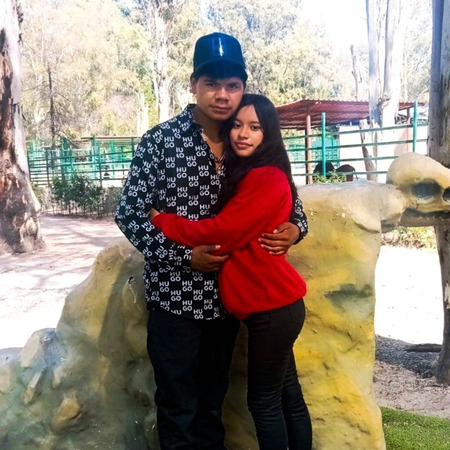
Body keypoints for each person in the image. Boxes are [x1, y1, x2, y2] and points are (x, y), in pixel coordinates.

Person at [115, 32, 308, 449]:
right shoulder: (160, 142)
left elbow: (291, 203)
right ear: (194, 85)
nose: (222, 95)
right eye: (212, 84)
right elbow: (129, 213)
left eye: (232, 85)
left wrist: (295, 229)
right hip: (175, 299)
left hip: (227, 305)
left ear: (242, 87)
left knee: (212, 407)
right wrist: (183, 256)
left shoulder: (249, 141)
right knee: (177, 407)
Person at [150, 94, 312, 450]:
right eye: (237, 125)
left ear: (268, 134)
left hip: (272, 309)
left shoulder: (265, 178)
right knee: (288, 395)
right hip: (275, 306)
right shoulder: (255, 172)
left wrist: (164, 222)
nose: (243, 133)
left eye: (255, 127)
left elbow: (221, 232)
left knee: (265, 403)